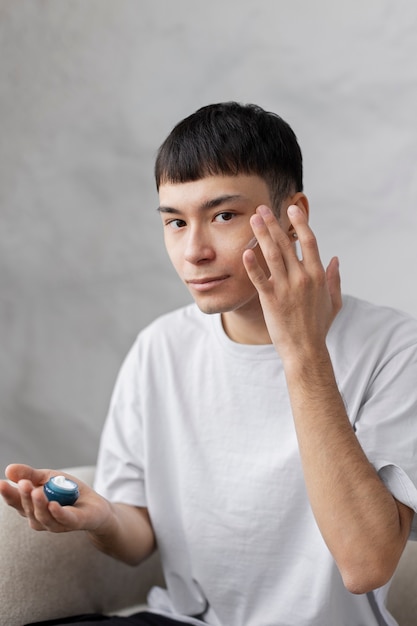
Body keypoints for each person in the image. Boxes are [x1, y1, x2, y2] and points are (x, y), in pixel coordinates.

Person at [1, 102, 417, 626]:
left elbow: (366, 564)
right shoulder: (160, 347)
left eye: (223, 215)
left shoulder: (395, 348)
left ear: (294, 216)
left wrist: (303, 351)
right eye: (175, 221)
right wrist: (103, 516)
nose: (193, 250)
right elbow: (138, 537)